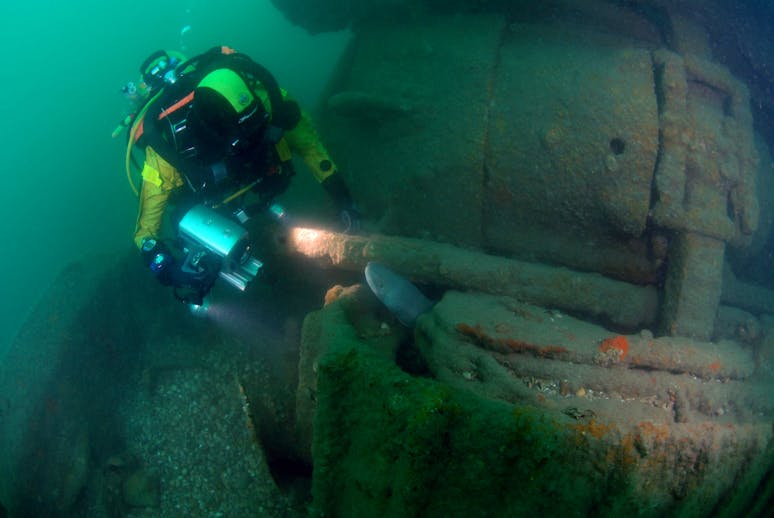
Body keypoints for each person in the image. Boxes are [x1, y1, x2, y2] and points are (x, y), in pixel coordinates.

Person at [122, 46, 358, 304]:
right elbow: (145, 234)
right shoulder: (167, 152)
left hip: (267, 180)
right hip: (218, 203)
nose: (245, 134)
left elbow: (308, 144)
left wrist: (343, 198)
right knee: (182, 216)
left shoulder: (263, 98)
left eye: (252, 120)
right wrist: (170, 271)